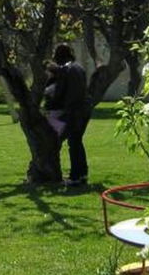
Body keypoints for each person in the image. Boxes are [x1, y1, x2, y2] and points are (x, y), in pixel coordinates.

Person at [47, 43, 92, 187]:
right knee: (76, 141)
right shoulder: (78, 67)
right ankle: (82, 174)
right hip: (84, 108)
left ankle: (76, 177)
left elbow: (60, 91)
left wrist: (50, 102)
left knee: (73, 142)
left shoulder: (65, 69)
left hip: (74, 110)